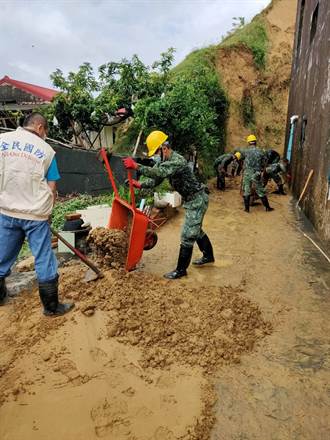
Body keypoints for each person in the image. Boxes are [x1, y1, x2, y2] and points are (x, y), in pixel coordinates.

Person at [0, 113, 74, 315]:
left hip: (6, 210)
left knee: (2, 255)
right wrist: (49, 211)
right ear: (40, 127)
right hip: (35, 215)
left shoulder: (2, 141)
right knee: (43, 258)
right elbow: (52, 186)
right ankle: (51, 307)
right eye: (45, 132)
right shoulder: (46, 150)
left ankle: (0, 298)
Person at [123, 130, 214, 279]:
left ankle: (181, 270)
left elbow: (159, 173)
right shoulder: (163, 160)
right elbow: (156, 180)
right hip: (192, 199)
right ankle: (208, 256)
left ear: (164, 148)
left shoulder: (177, 161)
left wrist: (136, 166)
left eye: (157, 152)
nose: (156, 156)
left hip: (197, 199)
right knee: (195, 230)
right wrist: (139, 185)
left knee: (187, 234)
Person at [242, 134, 274, 212]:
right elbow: (265, 162)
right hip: (256, 173)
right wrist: (262, 169)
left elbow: (242, 161)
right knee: (260, 190)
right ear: (255, 142)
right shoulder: (261, 151)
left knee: (247, 190)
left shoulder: (245, 151)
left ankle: (246, 209)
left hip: (247, 172)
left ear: (248, 142)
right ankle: (267, 208)